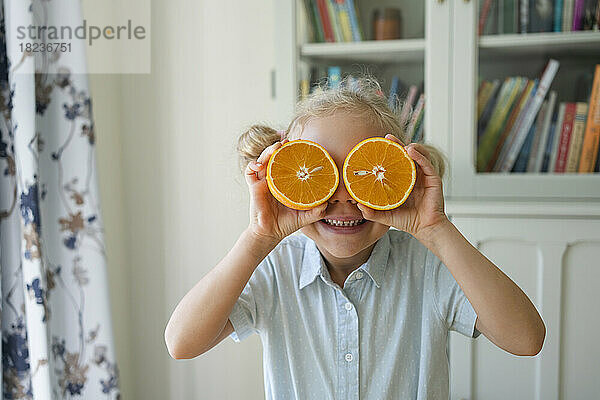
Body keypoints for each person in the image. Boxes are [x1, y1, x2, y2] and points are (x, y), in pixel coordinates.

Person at [164, 75, 546, 399]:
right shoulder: (274, 267)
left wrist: (436, 229)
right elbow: (182, 343)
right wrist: (257, 237)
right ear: (290, 182)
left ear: (400, 175)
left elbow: (526, 339)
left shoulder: (428, 265)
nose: (344, 197)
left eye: (366, 172)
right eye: (321, 173)